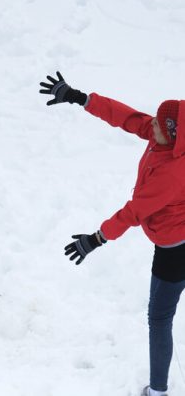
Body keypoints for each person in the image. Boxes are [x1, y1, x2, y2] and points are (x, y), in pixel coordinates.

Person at [39, 72, 185, 396]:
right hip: (175, 238)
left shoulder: (174, 172)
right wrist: (80, 98)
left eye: (160, 125)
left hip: (175, 251)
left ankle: (158, 391)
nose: (153, 127)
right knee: (162, 314)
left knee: (160, 318)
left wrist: (95, 239)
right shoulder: (167, 138)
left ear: (174, 133)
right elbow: (129, 118)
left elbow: (134, 212)